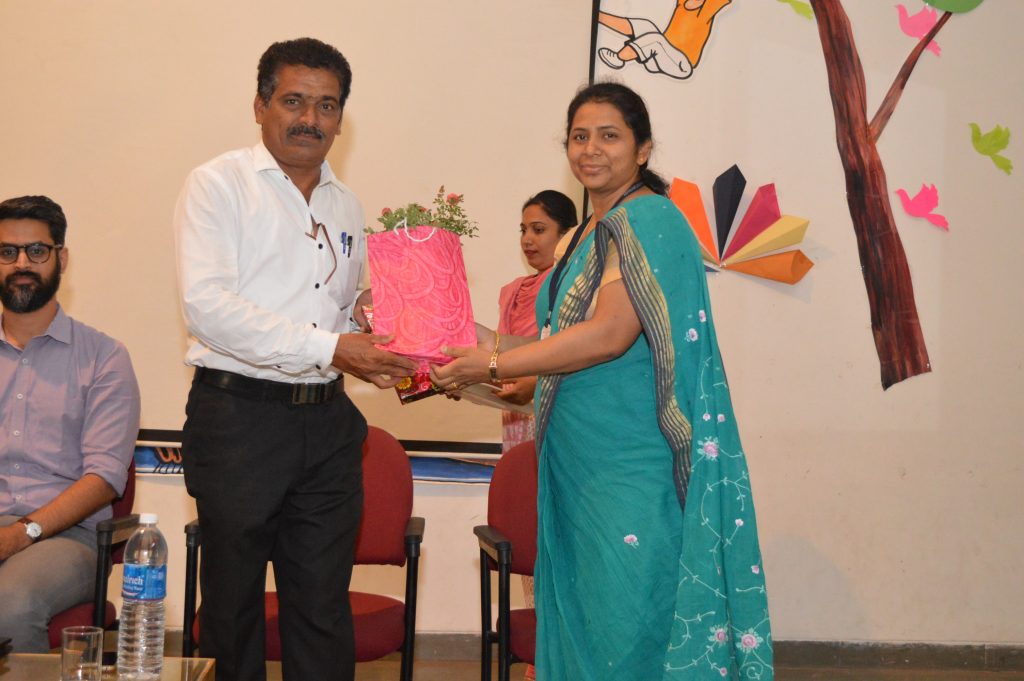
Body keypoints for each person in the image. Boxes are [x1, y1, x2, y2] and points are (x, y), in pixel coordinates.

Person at [432, 82, 773, 680]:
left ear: (642, 148)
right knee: (587, 622)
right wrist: (449, 338)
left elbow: (611, 334)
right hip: (575, 466)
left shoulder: (651, 219)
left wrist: (492, 364)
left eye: (609, 136)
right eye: (579, 136)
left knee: (627, 625)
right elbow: (548, 345)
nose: (591, 149)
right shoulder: (583, 235)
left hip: (629, 466)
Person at [173, 38, 417, 681]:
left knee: (322, 605)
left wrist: (377, 320)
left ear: (341, 118)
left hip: (328, 425)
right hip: (239, 419)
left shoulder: (347, 205)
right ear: (260, 106)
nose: (311, 118)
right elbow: (208, 308)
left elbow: (334, 310)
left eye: (327, 105)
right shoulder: (217, 185)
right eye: (294, 101)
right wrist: (332, 346)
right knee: (233, 608)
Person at [0, 195, 140, 652]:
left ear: (61, 259)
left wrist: (21, 533)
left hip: (65, 538)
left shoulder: (104, 357)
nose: (22, 263)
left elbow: (103, 479)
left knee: (9, 604)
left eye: (36, 250)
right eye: (7, 252)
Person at [495, 190, 577, 452]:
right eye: (523, 230)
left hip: (558, 407)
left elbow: (576, 352)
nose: (527, 239)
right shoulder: (513, 290)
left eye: (538, 230)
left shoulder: (573, 285)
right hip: (515, 410)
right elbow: (501, 352)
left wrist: (535, 383)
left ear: (567, 235)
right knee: (521, 474)